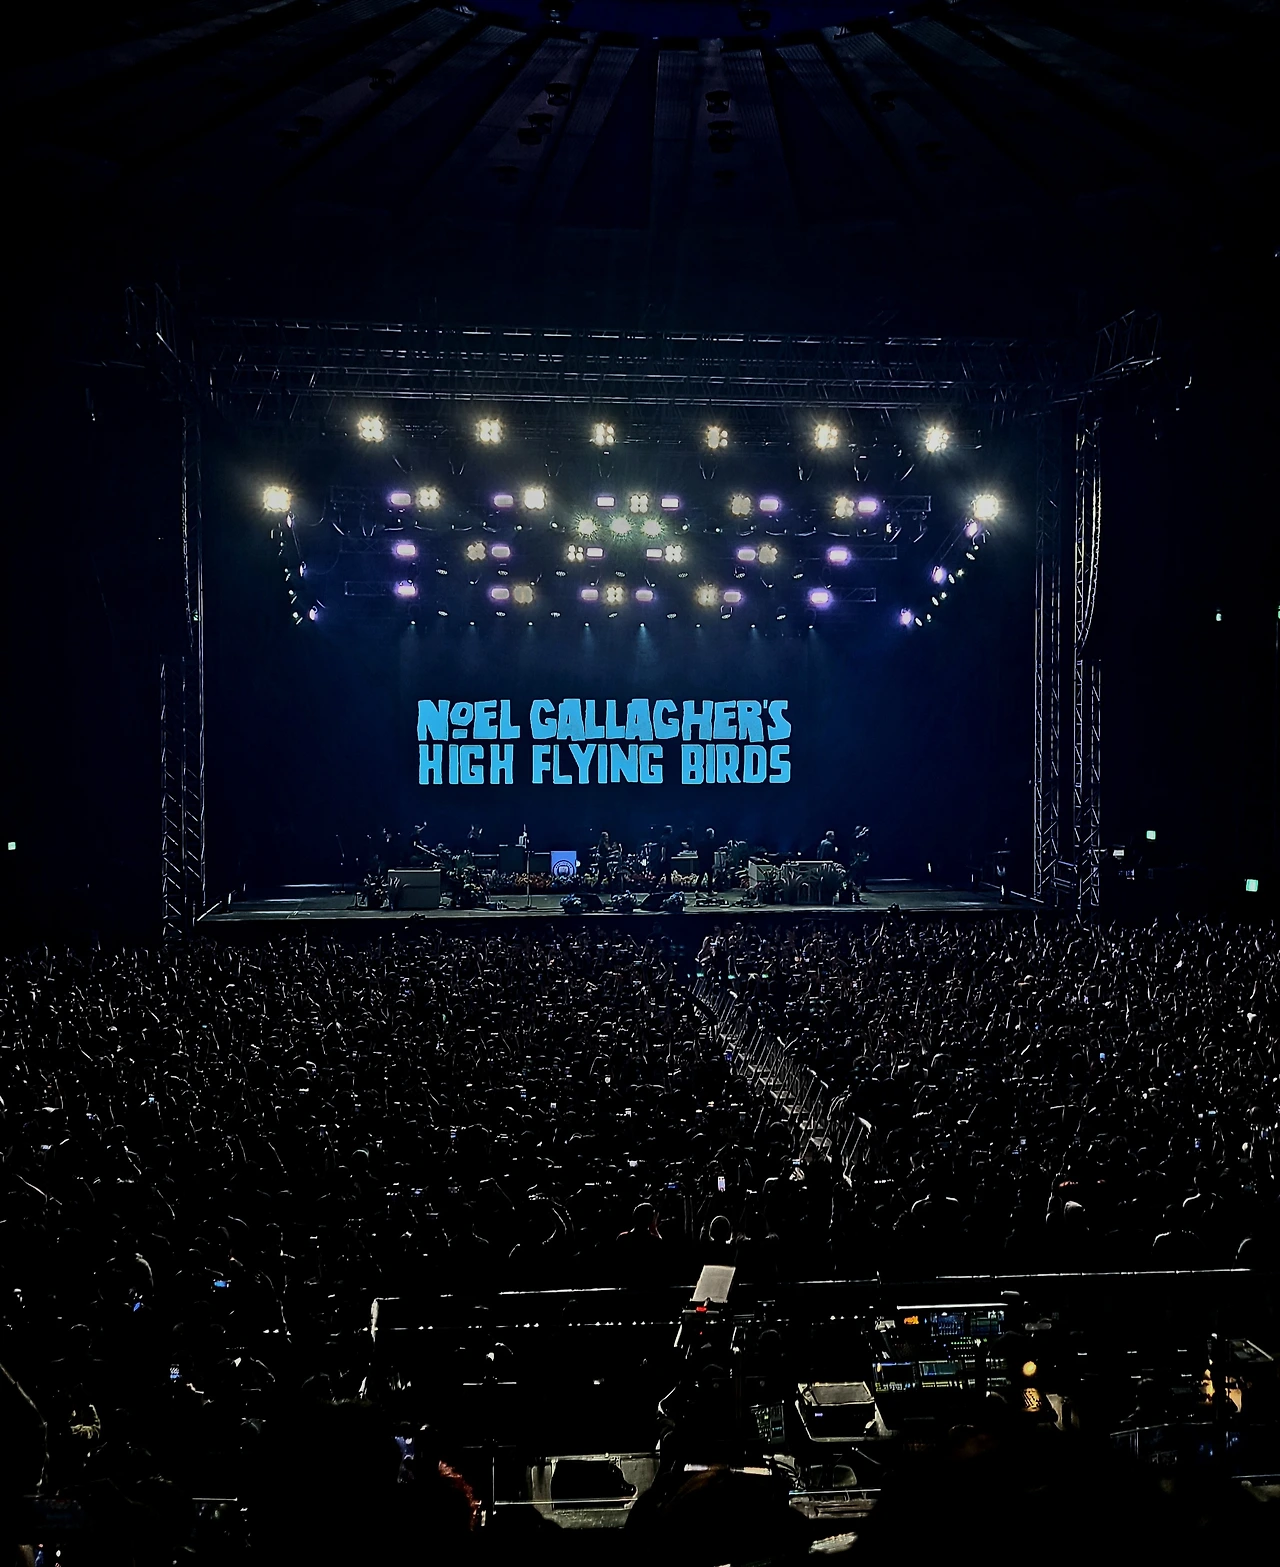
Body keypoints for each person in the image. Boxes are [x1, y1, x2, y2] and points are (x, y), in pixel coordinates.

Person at [695, 828, 717, 894]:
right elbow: (711, 853)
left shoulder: (701, 842)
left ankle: (697, 890)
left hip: (702, 861)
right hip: (708, 862)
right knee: (710, 877)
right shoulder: (711, 843)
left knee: (701, 876)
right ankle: (710, 891)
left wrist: (700, 859)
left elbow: (698, 852)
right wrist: (713, 863)